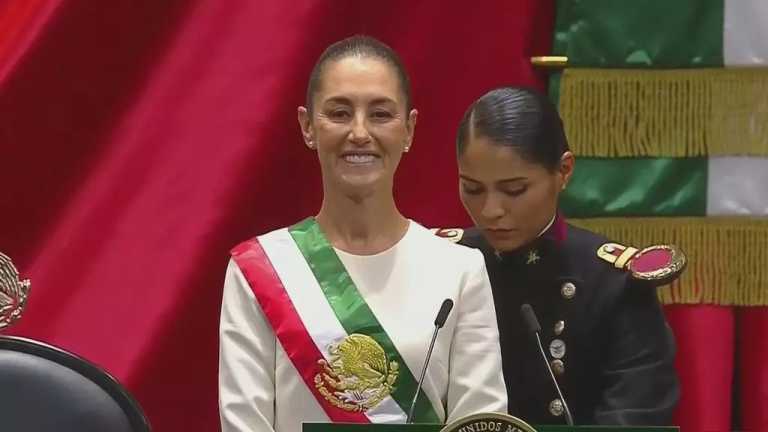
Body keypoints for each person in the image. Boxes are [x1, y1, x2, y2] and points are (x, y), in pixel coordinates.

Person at [218, 36, 507, 432]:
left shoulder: (460, 270)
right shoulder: (259, 270)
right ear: (307, 126)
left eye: (380, 114)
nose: (359, 132)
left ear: (409, 129)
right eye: (339, 113)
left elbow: (480, 423)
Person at [443, 86, 681, 426]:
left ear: (564, 171)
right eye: (472, 188)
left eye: (514, 190)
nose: (490, 210)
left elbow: (636, 414)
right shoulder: (440, 263)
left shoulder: (612, 284)